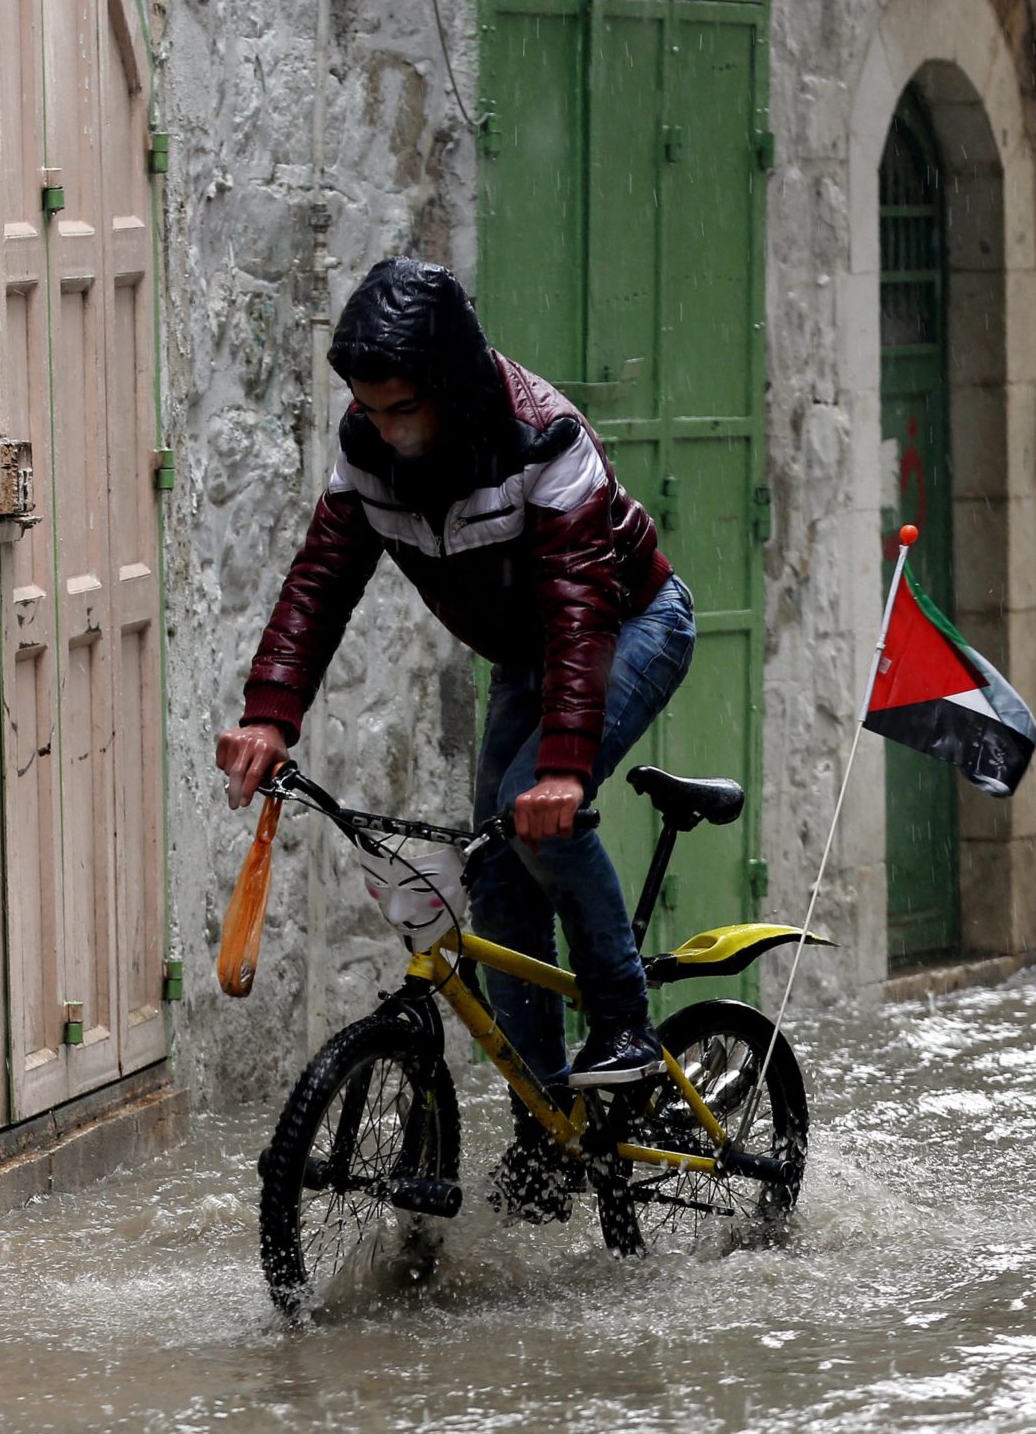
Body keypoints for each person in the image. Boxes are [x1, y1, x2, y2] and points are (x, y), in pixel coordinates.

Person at [216, 259, 695, 1179]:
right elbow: (320, 583)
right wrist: (270, 716)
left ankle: (625, 1026)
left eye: (404, 412)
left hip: (627, 624)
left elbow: (580, 607)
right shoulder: (367, 448)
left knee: (535, 810)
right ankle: (551, 1128)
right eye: (371, 412)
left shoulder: (543, 438)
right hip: (531, 658)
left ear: (453, 386)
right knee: (502, 876)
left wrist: (563, 768)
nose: (387, 435)